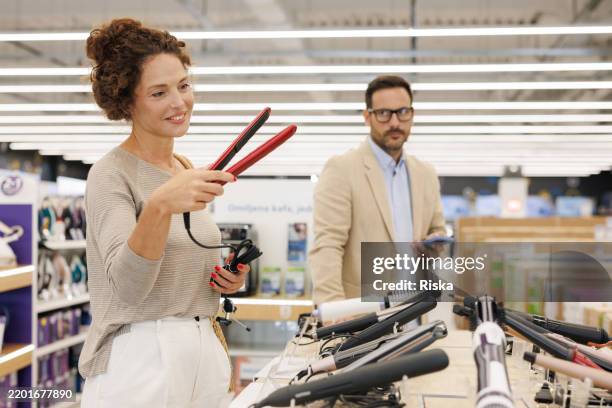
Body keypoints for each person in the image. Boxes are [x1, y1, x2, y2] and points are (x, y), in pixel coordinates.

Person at [79, 18, 249, 407]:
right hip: (140, 358)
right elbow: (130, 289)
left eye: (184, 85)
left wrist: (227, 279)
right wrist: (158, 207)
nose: (179, 102)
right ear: (126, 101)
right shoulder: (111, 173)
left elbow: (181, 264)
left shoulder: (184, 167)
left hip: (203, 345)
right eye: (159, 92)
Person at [309, 75, 446, 306]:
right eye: (384, 113)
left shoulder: (426, 174)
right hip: (362, 315)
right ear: (367, 116)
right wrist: (332, 306)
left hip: (414, 312)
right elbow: (327, 244)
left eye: (403, 112)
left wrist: (435, 242)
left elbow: (437, 230)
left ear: (412, 114)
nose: (395, 122)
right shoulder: (341, 168)